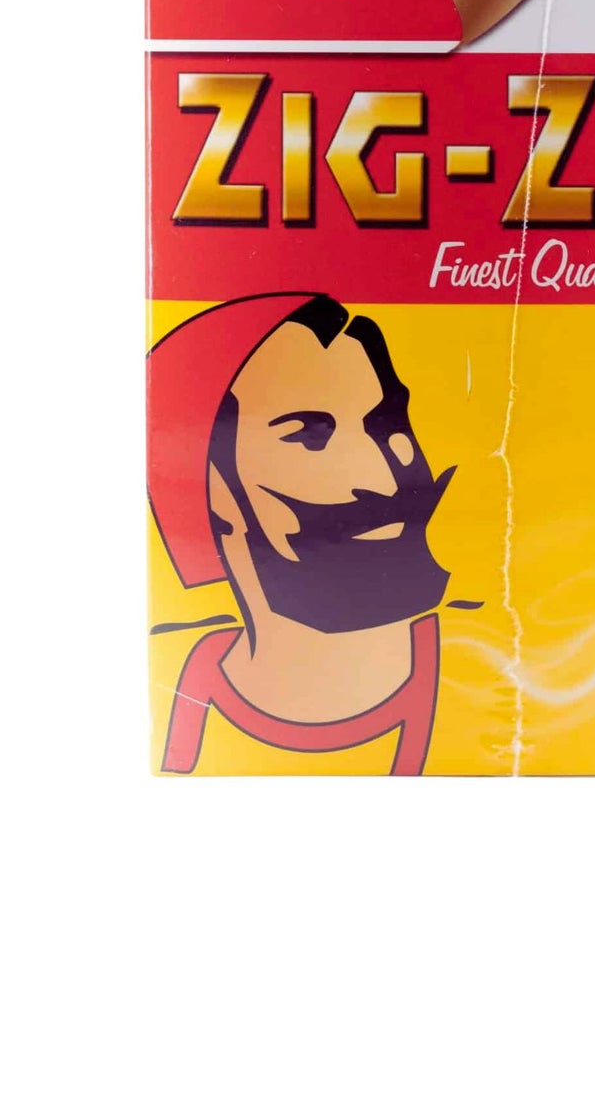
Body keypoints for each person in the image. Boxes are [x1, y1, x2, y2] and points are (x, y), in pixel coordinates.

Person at [146, 293, 454, 775]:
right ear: (212, 487)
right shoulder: (176, 684)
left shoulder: (481, 668)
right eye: (310, 437)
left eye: (387, 425)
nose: (383, 478)